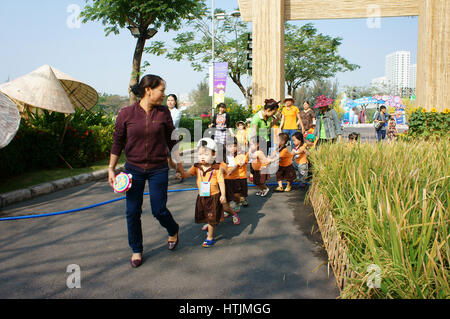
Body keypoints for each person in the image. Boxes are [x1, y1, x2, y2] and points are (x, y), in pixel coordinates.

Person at [108, 74, 182, 268]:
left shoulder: (163, 112)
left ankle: (173, 229)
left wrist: (179, 166)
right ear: (148, 90)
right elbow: (117, 142)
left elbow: (172, 140)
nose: (164, 94)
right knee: (132, 211)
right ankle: (136, 249)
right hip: (134, 169)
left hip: (158, 168)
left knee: (159, 209)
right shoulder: (126, 113)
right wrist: (111, 168)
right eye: (162, 90)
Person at [176, 138, 226, 248]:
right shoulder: (197, 166)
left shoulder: (217, 168)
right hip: (202, 196)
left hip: (214, 196)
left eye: (206, 154)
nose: (202, 157)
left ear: (214, 155)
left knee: (211, 216)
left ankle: (210, 237)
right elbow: (186, 174)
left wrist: (223, 195)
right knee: (205, 213)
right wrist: (180, 170)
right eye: (200, 154)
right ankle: (209, 223)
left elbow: (221, 182)